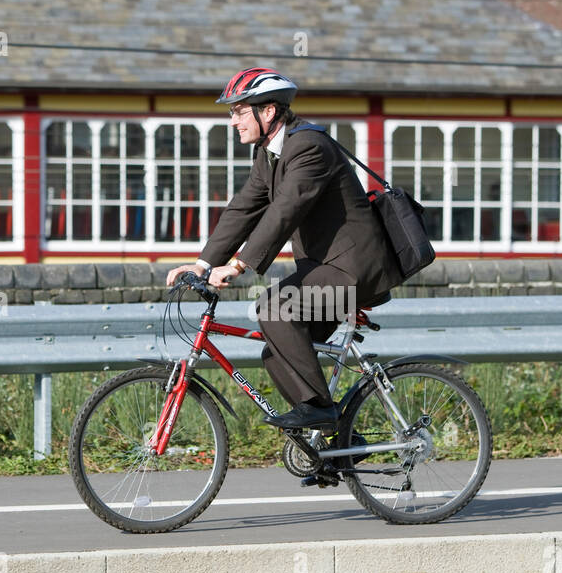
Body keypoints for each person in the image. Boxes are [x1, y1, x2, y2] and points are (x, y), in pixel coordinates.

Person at [165, 67, 401, 429]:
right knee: (278, 355)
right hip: (324, 268)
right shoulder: (270, 153)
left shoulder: (309, 147)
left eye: (239, 111)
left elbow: (285, 210)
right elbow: (244, 208)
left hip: (354, 269)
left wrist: (239, 265)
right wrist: (203, 263)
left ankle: (322, 410)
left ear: (269, 111)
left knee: (274, 308)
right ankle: (334, 447)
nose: (233, 121)